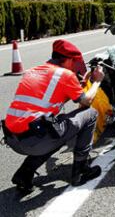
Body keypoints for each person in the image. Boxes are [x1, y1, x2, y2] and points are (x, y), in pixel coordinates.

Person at [2, 39, 105, 192]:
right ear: (69, 59)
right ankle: (81, 171)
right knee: (90, 114)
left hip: (13, 139)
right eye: (75, 62)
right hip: (35, 140)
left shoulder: (34, 71)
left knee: (55, 130)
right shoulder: (64, 75)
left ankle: (24, 174)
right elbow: (86, 102)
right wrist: (97, 81)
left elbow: (50, 96)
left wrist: (81, 84)